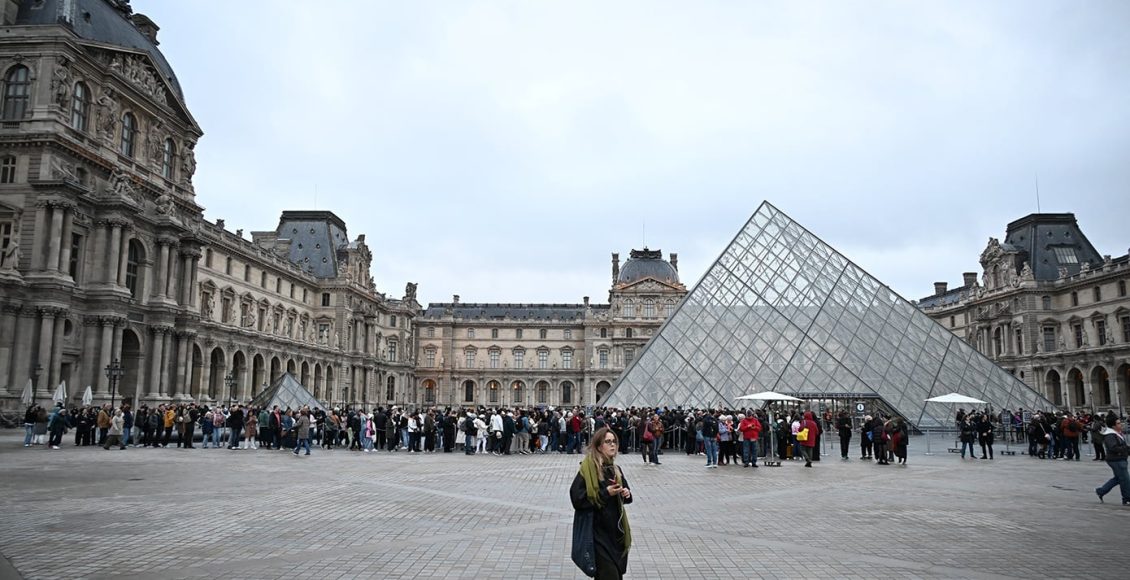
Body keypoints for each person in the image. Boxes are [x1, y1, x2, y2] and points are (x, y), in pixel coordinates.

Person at [569, 427, 632, 580]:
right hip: (597, 535)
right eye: (608, 442)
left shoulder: (615, 469)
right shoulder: (589, 469)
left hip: (615, 535)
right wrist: (606, 493)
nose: (613, 445)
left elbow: (626, 497)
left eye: (614, 442)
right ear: (598, 446)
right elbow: (577, 499)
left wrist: (626, 493)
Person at [1095, 414, 1129, 505]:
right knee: (1125, 479)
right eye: (1118, 423)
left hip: (1119, 458)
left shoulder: (1116, 434)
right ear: (1113, 426)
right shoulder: (1110, 435)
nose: (1120, 425)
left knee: (1118, 478)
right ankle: (1127, 498)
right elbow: (1113, 447)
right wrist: (1125, 449)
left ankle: (1101, 491)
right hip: (1116, 460)